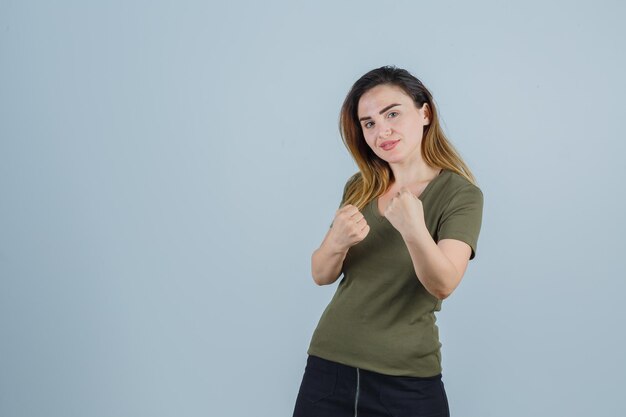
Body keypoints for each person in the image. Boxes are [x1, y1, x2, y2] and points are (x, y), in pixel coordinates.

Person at [291, 65, 484, 417]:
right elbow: (320, 274)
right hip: (328, 366)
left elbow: (443, 284)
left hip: (406, 379)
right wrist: (336, 241)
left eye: (392, 113)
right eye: (369, 123)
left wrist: (413, 228)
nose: (382, 131)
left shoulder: (461, 195)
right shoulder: (360, 185)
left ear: (424, 113)